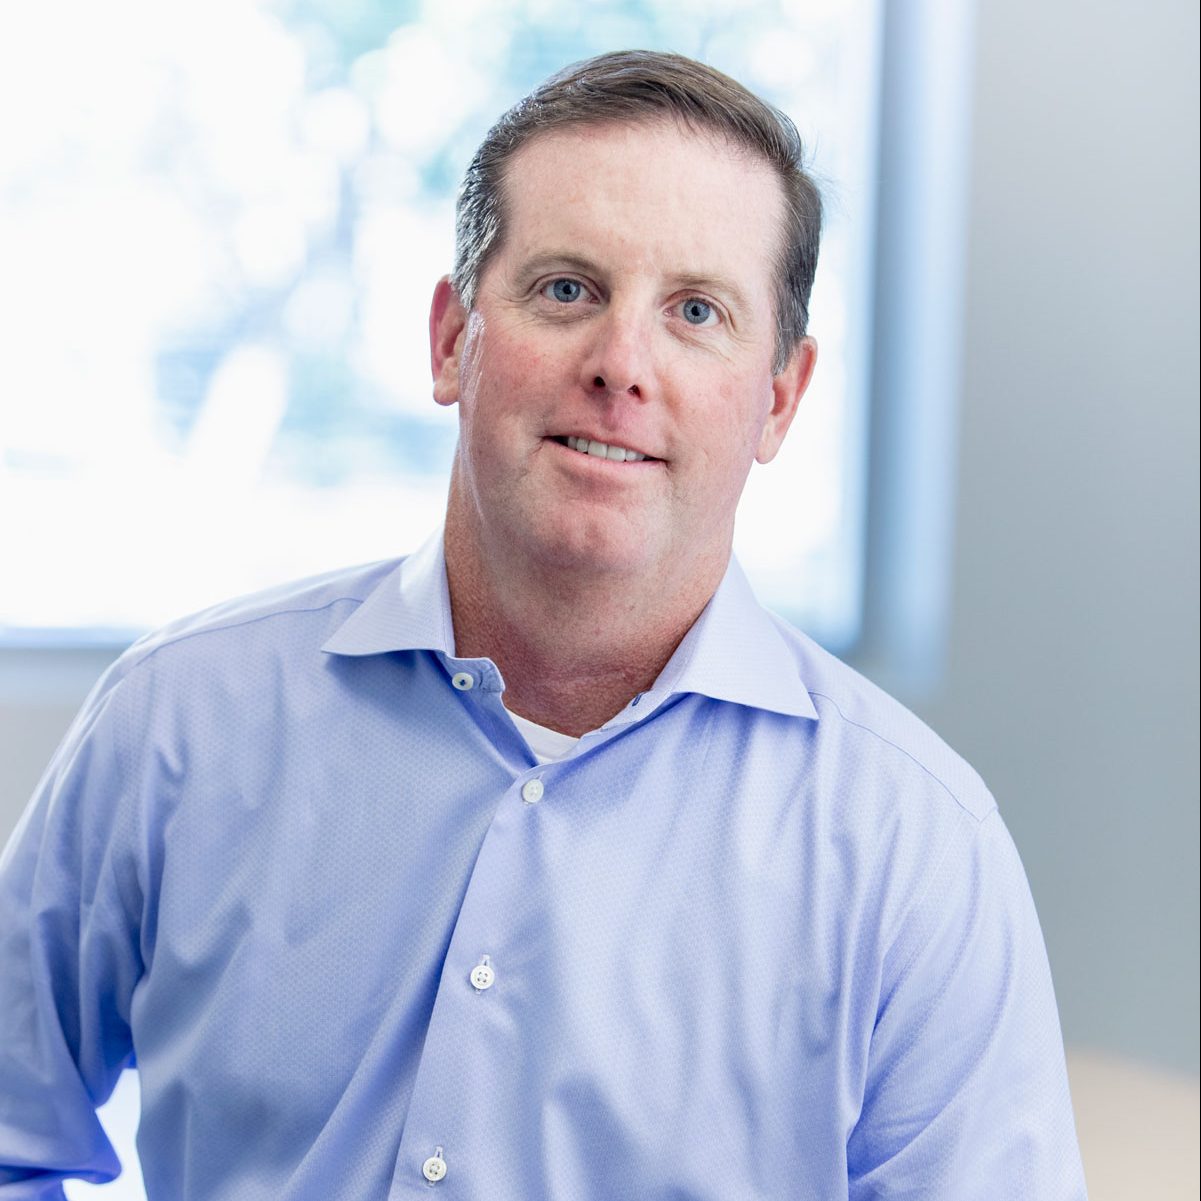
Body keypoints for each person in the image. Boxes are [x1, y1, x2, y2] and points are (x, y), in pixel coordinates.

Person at [0, 50, 1087, 1200]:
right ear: (450, 340)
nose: (621, 365)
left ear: (778, 397)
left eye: (696, 312)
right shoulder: (177, 722)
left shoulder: (916, 850)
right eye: (567, 290)